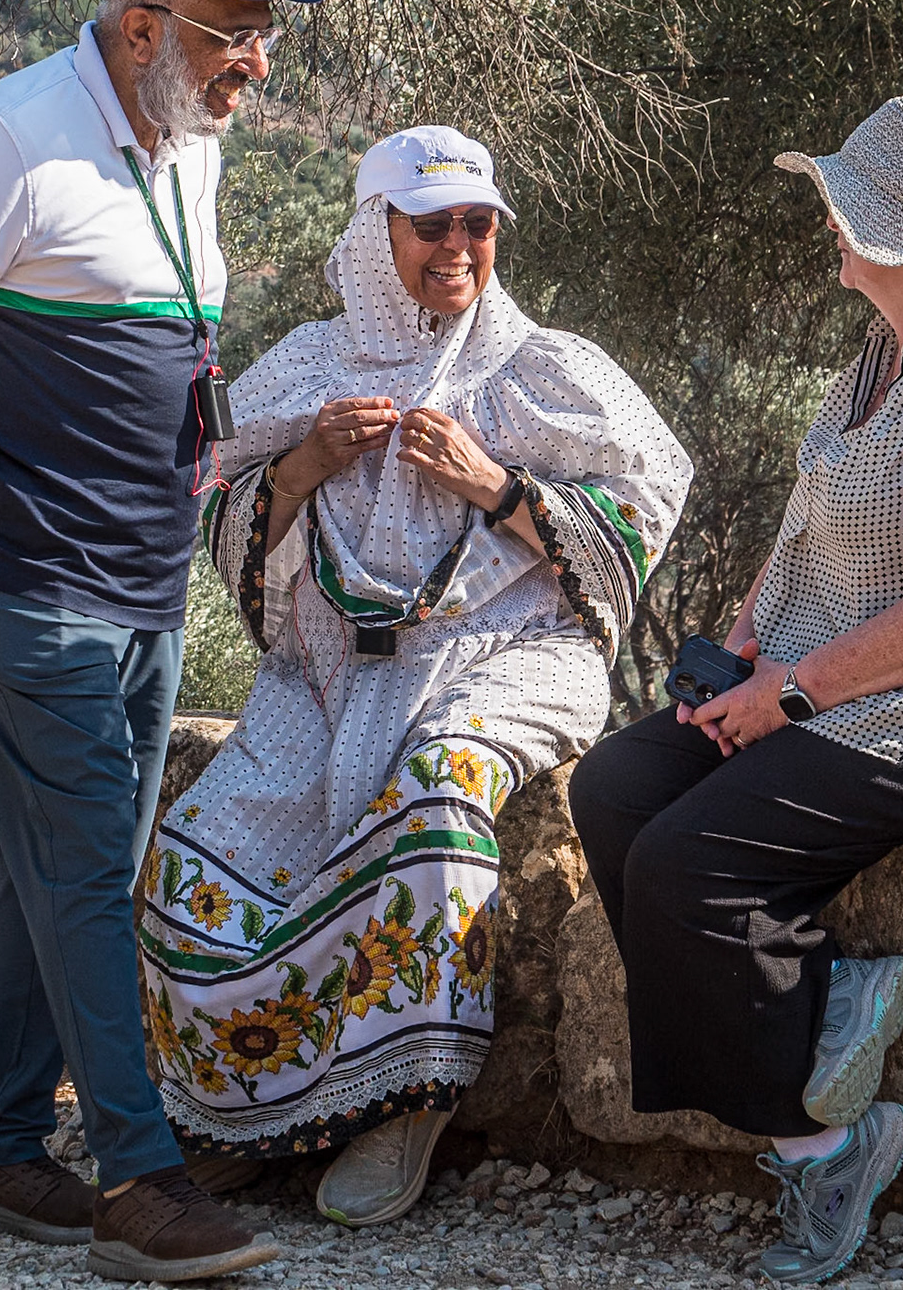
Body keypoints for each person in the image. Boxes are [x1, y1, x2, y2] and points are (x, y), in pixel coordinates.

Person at [0, 0, 327, 1284]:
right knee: (86, 860)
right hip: (12, 563)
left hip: (138, 570)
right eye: (235, 35)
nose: (257, 64)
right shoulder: (5, 141)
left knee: (77, 855)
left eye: (262, 37)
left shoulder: (186, 139)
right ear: (141, 27)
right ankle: (137, 1174)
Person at [569, 95, 903, 1284]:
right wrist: (749, 645)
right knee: (614, 790)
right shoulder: (882, 352)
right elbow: (807, 519)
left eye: (846, 203)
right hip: (835, 671)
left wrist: (790, 696)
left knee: (688, 863)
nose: (828, 220)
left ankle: (826, 1147)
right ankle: (818, 1007)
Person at [137, 126, 691, 1228]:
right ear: (372, 232)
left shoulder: (543, 368)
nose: (458, 245)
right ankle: (240, 1110)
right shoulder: (304, 366)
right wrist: (304, 464)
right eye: (430, 224)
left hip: (509, 660)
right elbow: (212, 502)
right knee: (196, 854)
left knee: (437, 800)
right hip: (328, 680)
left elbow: (648, 500)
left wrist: (498, 486)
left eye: (478, 224)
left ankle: (402, 1104)